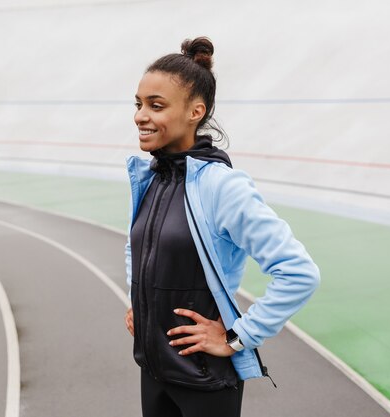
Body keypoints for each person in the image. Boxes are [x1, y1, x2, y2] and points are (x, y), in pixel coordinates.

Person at [123, 36, 320, 417]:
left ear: (195, 112)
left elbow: (299, 272)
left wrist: (235, 338)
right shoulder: (152, 177)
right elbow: (137, 245)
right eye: (139, 104)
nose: (140, 116)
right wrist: (138, 301)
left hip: (204, 380)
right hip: (153, 370)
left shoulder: (222, 186)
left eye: (156, 106)